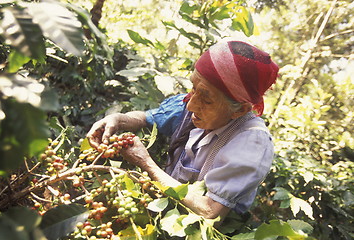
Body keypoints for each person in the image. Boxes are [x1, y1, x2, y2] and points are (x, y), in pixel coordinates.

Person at [87, 40, 279, 224]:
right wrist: (119, 119)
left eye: (207, 99)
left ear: (240, 110)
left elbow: (210, 212)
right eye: (193, 87)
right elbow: (147, 117)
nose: (192, 104)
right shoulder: (191, 102)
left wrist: (146, 164)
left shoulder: (251, 142)